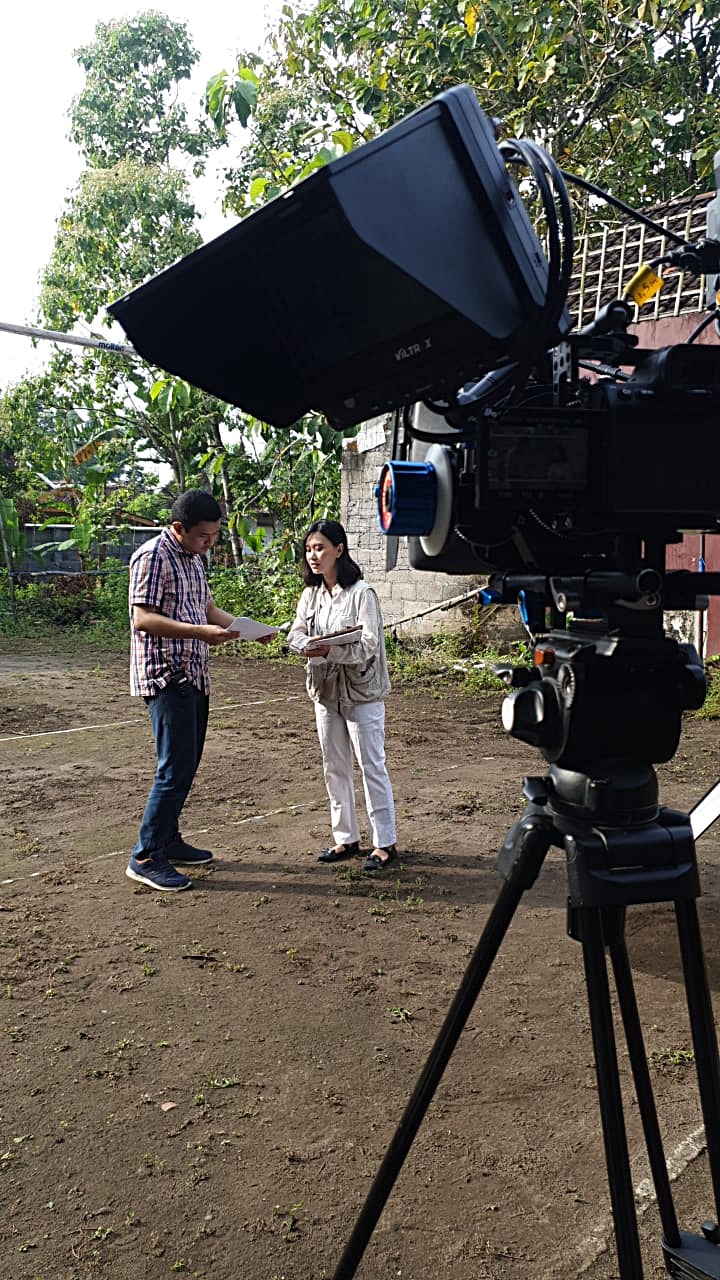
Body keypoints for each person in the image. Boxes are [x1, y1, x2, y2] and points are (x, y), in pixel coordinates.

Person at [126, 489, 239, 892]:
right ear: (179, 528)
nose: (210, 543)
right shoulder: (153, 556)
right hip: (166, 675)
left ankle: (168, 839)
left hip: (194, 673)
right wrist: (200, 633)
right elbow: (142, 618)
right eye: (204, 536)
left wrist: (244, 628)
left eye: (215, 536)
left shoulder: (193, 559)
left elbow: (208, 609)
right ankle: (145, 856)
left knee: (186, 765)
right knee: (173, 768)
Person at [288, 519, 397, 871]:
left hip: (361, 692)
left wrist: (329, 650)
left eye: (319, 548)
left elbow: (369, 644)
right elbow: (295, 632)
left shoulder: (362, 593)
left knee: (371, 766)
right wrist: (305, 644)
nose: (313, 556)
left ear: (339, 549)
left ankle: (384, 843)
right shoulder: (311, 594)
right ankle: (345, 838)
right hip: (324, 691)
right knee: (334, 766)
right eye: (308, 549)